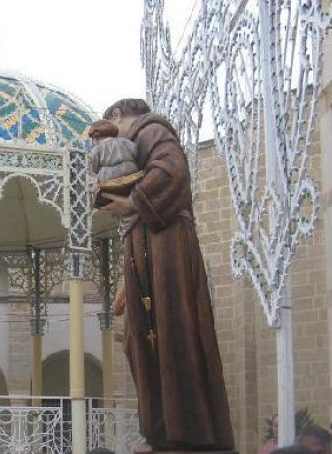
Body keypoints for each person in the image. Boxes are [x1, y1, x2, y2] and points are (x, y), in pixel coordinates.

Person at [100, 99, 234, 452]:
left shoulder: (152, 131)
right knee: (139, 341)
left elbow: (171, 171)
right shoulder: (139, 141)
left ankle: (184, 430)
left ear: (116, 117)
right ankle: (159, 430)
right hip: (145, 250)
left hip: (167, 250)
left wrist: (131, 203)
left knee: (175, 332)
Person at [88, 119, 142, 237]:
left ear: (96, 137)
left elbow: (94, 167)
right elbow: (136, 152)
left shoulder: (97, 149)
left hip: (109, 176)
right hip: (130, 172)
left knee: (96, 191)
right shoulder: (125, 142)